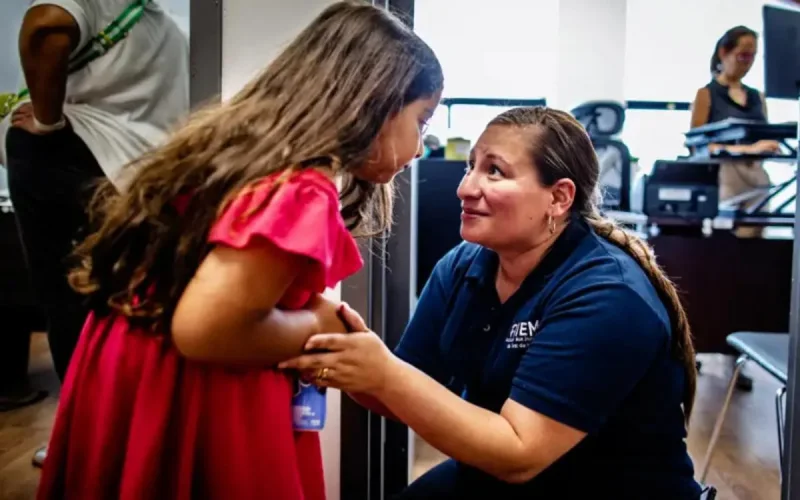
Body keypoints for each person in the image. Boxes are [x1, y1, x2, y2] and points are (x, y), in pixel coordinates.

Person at [35, 2, 443, 498]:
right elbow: (207, 330)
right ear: (374, 103)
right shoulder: (299, 190)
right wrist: (317, 325)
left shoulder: (243, 160)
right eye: (421, 120)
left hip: (137, 372)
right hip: (198, 389)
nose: (421, 147)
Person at [281, 107, 703, 499]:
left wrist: (382, 373)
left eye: (495, 171)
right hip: (500, 473)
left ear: (558, 198)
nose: (466, 187)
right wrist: (340, 342)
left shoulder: (607, 295)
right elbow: (399, 388)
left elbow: (519, 454)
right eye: (471, 166)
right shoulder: (465, 265)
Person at [0, 0, 189, 462]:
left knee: (66, 301)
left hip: (80, 169)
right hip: (149, 183)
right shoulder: (170, 30)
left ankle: (81, 439)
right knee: (136, 307)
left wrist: (46, 121)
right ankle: (139, 436)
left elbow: (46, 24)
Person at [690, 25, 778, 390]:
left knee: (749, 269)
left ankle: (739, 355)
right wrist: (746, 150)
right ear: (723, 52)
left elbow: (770, 138)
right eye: (742, 54)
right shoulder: (707, 94)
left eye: (753, 55)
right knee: (720, 267)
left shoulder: (757, 96)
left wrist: (762, 149)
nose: (747, 61)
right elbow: (697, 143)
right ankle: (700, 344)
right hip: (723, 182)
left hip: (757, 183)